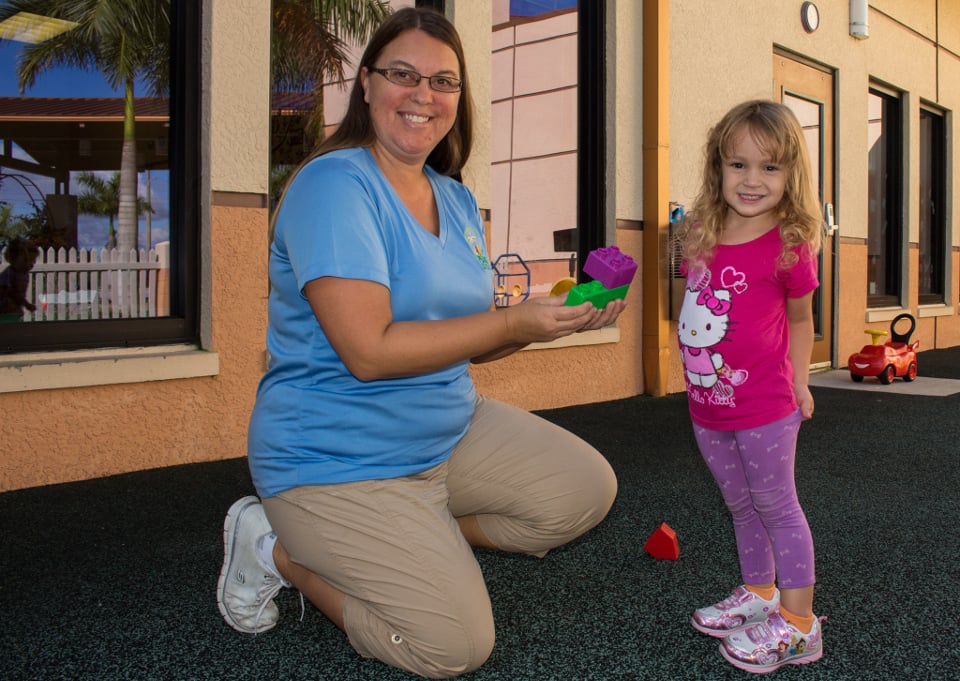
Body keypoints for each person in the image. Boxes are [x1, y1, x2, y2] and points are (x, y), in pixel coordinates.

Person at [216, 7, 623, 679]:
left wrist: (559, 316)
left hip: (445, 430)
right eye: (402, 74)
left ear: (459, 101)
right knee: (454, 646)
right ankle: (277, 548)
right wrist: (514, 321)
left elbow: (467, 338)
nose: (423, 95)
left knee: (582, 491)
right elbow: (368, 351)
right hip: (335, 457)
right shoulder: (334, 185)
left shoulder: (456, 200)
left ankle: (415, 533)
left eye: (443, 81)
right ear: (367, 86)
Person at [674, 99, 824, 673]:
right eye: (738, 165)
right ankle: (760, 595)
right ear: (719, 168)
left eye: (769, 167)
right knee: (740, 505)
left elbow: (803, 320)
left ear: (791, 175)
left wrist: (799, 381)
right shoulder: (702, 236)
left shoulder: (788, 244)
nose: (752, 180)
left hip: (765, 405)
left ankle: (799, 625)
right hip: (708, 404)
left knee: (776, 505)